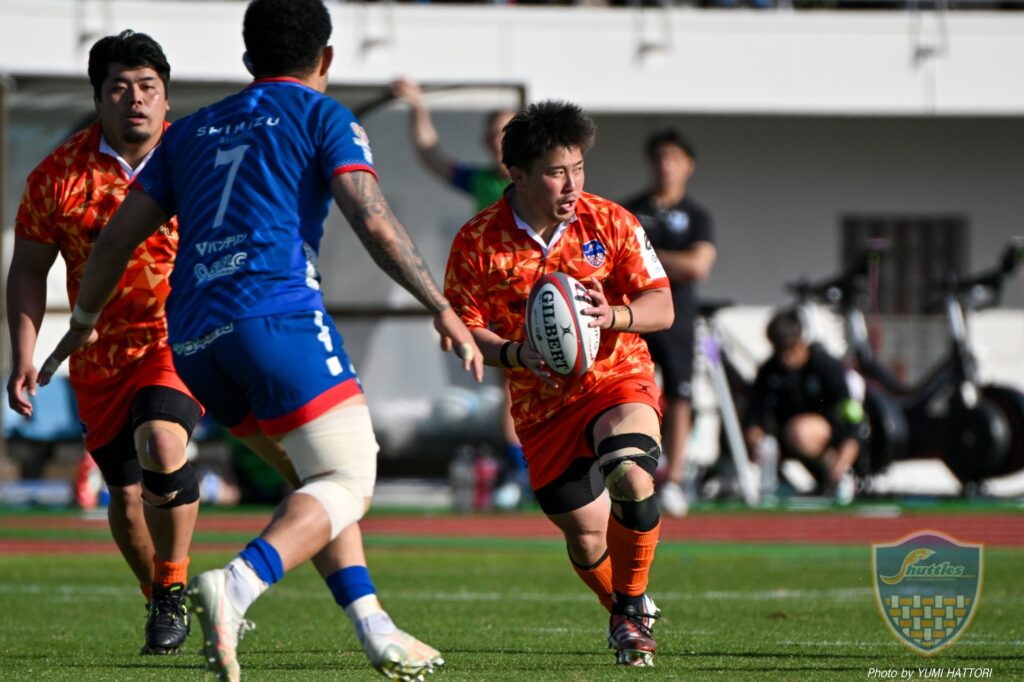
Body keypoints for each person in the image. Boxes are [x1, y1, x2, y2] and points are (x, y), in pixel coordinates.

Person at [38, 1, 483, 681]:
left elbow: (116, 238)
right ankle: (236, 584)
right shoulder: (323, 114)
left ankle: (375, 627)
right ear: (326, 57)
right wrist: (441, 304)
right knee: (348, 476)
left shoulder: (190, 130)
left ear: (248, 59)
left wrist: (80, 321)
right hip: (274, 317)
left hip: (194, 339)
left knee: (315, 481)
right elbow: (372, 218)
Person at [443, 100, 674, 667]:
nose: (572, 184)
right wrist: (515, 353)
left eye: (578, 168)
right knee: (586, 536)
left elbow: (662, 304)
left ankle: (630, 612)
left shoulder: (611, 221)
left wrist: (614, 315)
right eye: (555, 172)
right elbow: (464, 329)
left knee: (631, 473)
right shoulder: (477, 241)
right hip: (540, 406)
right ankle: (625, 607)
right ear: (517, 174)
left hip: (617, 378)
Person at [6, 30, 201, 655]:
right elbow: (28, 270)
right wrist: (23, 355)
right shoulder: (57, 175)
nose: (135, 99)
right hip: (97, 355)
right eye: (119, 87)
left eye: (148, 87)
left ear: (167, 97)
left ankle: (173, 587)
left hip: (180, 339)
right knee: (124, 493)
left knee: (161, 442)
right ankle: (162, 596)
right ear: (98, 98)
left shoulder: (200, 161)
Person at [390, 78, 529, 499]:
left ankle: (547, 463)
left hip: (538, 294)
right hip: (499, 299)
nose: (499, 141)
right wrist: (417, 107)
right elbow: (432, 155)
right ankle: (520, 470)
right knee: (512, 383)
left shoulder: (537, 181)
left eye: (507, 132)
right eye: (494, 134)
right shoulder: (482, 180)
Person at [622, 129, 716, 517]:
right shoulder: (630, 210)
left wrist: (648, 254)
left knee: (679, 395)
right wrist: (671, 260)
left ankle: (673, 479)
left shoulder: (698, 216)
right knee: (628, 391)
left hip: (678, 317)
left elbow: (698, 265)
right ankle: (628, 472)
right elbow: (619, 259)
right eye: (660, 157)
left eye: (674, 158)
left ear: (688, 165)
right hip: (635, 314)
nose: (666, 166)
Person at [743, 309, 862, 502]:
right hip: (782, 439)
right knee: (764, 441)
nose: (786, 358)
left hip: (827, 437)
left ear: (801, 341)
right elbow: (754, 413)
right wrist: (754, 436)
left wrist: (843, 462)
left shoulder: (826, 366)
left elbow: (852, 420)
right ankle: (777, 484)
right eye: (780, 351)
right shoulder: (768, 371)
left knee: (799, 431)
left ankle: (838, 476)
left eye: (791, 349)